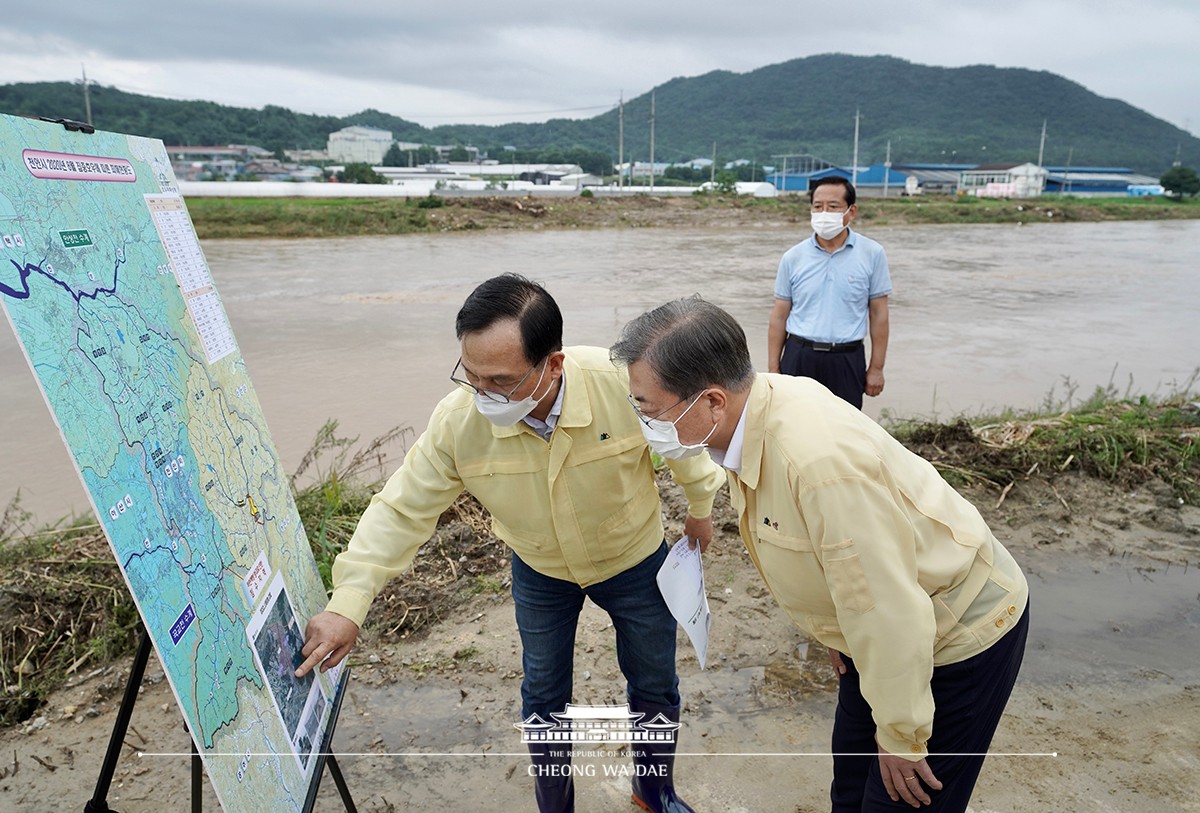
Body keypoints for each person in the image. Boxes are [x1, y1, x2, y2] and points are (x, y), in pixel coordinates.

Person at [295, 274, 723, 813]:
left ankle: (654, 791)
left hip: (633, 558)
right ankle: (554, 805)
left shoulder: (623, 385)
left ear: (554, 364)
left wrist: (702, 509)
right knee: (544, 694)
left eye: (500, 380)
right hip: (540, 568)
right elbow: (400, 509)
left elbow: (683, 443)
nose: (481, 393)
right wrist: (348, 603)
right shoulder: (458, 422)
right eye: (469, 375)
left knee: (655, 682)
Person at [612, 296, 1029, 813]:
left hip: (954, 632)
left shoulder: (817, 466)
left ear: (712, 401)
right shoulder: (753, 413)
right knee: (851, 790)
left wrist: (902, 735)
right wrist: (832, 627)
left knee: (901, 796)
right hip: (871, 635)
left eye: (648, 408)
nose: (642, 421)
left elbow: (887, 608)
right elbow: (841, 568)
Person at [768, 176, 892, 409]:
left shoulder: (872, 254)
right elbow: (779, 316)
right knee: (794, 427)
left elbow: (879, 314)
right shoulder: (793, 257)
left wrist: (876, 368)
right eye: (818, 206)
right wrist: (774, 369)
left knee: (844, 432)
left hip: (846, 358)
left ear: (851, 211)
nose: (824, 213)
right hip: (799, 356)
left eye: (833, 207)